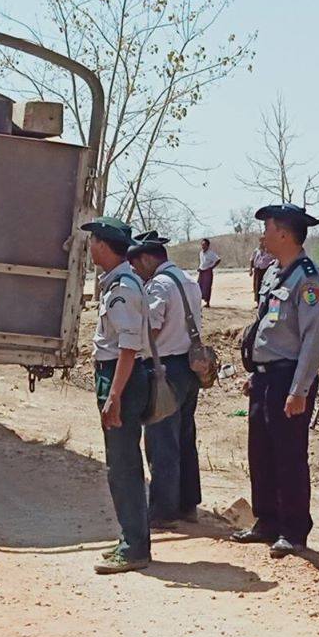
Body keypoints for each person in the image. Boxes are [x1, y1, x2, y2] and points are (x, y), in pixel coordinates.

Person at [234, 203, 319, 559]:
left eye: (268, 229)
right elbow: (268, 326)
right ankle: (267, 521)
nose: (263, 236)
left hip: (289, 377)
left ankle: (293, 530)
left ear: (285, 234)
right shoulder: (275, 273)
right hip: (265, 378)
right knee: (260, 452)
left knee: (289, 456)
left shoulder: (308, 279)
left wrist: (299, 389)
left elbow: (313, 340)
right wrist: (255, 372)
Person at [81, 216, 152, 575]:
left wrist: (114, 396)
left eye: (94, 241)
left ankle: (135, 547)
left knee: (124, 465)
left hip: (121, 377)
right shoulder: (117, 282)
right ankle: (129, 538)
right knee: (120, 464)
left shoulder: (123, 287)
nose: (90, 247)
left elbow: (128, 347)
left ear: (105, 246)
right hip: (117, 375)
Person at [129, 230, 205, 523]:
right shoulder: (188, 281)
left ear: (148, 259)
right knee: (185, 437)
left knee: (162, 441)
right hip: (188, 368)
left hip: (165, 370)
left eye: (136, 263)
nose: (135, 270)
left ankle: (163, 510)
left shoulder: (159, 285)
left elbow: (152, 328)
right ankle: (188, 504)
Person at [196, 238, 221, 307]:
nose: (203, 246)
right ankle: (198, 301)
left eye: (204, 245)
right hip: (201, 271)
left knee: (207, 287)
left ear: (207, 245)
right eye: (202, 245)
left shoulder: (211, 253)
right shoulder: (201, 253)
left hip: (208, 272)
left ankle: (207, 302)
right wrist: (199, 268)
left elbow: (218, 260)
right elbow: (202, 262)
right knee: (199, 286)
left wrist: (211, 267)